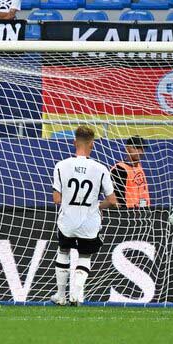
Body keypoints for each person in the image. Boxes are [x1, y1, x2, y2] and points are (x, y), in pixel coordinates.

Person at [50, 126, 117, 305]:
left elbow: (56, 199)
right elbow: (112, 200)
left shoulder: (61, 166)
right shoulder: (101, 168)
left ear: (74, 143)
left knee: (63, 252)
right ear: (92, 145)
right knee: (85, 256)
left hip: (67, 221)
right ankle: (76, 295)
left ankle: (60, 296)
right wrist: (97, 206)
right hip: (90, 221)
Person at [110, 136, 150, 209]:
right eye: (136, 148)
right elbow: (116, 196)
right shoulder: (119, 169)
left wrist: (142, 208)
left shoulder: (139, 167)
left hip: (140, 213)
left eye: (142, 148)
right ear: (127, 149)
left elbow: (142, 192)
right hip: (126, 214)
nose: (140, 152)